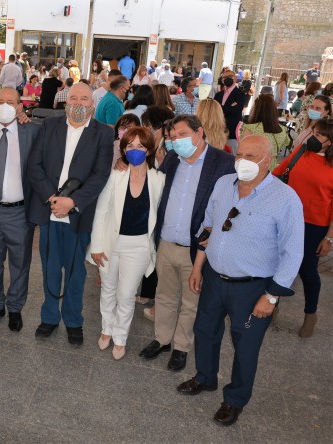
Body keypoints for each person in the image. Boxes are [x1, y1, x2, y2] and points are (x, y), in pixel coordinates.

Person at [180, 135, 304, 426]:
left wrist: (271, 297)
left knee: (245, 347)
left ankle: (234, 399)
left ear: (268, 161)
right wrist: (198, 267)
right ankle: (205, 377)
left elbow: (293, 252)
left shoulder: (285, 199)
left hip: (253, 287)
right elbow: (209, 226)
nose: (242, 161)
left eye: (251, 156)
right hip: (214, 277)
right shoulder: (224, 184)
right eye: (240, 155)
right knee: (206, 331)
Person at [137, 114, 235, 372]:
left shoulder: (223, 162)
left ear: (199, 132)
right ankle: (162, 339)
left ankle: (181, 346)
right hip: (167, 242)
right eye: (172, 137)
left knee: (191, 301)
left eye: (182, 134)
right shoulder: (172, 158)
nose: (177, 141)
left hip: (196, 248)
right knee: (165, 295)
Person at [27, 82, 114, 345]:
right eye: (73, 98)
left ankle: (74, 320)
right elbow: (35, 165)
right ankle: (50, 317)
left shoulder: (103, 134)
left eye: (84, 99)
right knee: (50, 268)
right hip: (50, 210)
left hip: (79, 215)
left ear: (92, 104)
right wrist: (53, 199)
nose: (78, 103)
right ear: (66, 103)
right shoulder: (50, 127)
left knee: (77, 272)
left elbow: (100, 176)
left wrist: (72, 202)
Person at [89, 126, 165, 360]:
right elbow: (101, 211)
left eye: (140, 146)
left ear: (149, 150)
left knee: (126, 294)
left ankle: (120, 337)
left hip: (139, 246)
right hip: (112, 243)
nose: (135, 150)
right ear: (122, 149)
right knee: (108, 290)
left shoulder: (159, 178)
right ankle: (106, 329)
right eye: (130, 145)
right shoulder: (116, 173)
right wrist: (96, 245)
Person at [0, 87, 41, 332]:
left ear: (20, 107)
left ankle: (15, 307)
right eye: (0, 101)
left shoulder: (33, 131)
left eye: (10, 102)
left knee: (20, 263)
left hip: (19, 212)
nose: (4, 105)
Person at [273, 117, 333, 338]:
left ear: (330, 142)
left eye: (319, 135)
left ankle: (310, 314)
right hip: (287, 218)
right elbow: (278, 173)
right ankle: (272, 303)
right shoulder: (300, 152)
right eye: (313, 133)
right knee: (278, 262)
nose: (313, 138)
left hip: (315, 225)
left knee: (307, 270)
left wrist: (329, 238)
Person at [239, 94, 288, 167]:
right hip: (272, 168)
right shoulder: (283, 130)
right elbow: (282, 148)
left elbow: (243, 151)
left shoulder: (251, 129)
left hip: (253, 168)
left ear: (256, 110)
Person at [214, 70, 246, 153]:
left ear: (235, 78)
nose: (227, 79)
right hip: (218, 131)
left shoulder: (240, 94)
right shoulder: (218, 95)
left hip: (232, 131)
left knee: (232, 156)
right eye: (225, 77)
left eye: (230, 76)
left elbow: (236, 110)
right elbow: (214, 110)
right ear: (222, 80)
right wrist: (228, 107)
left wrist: (220, 108)